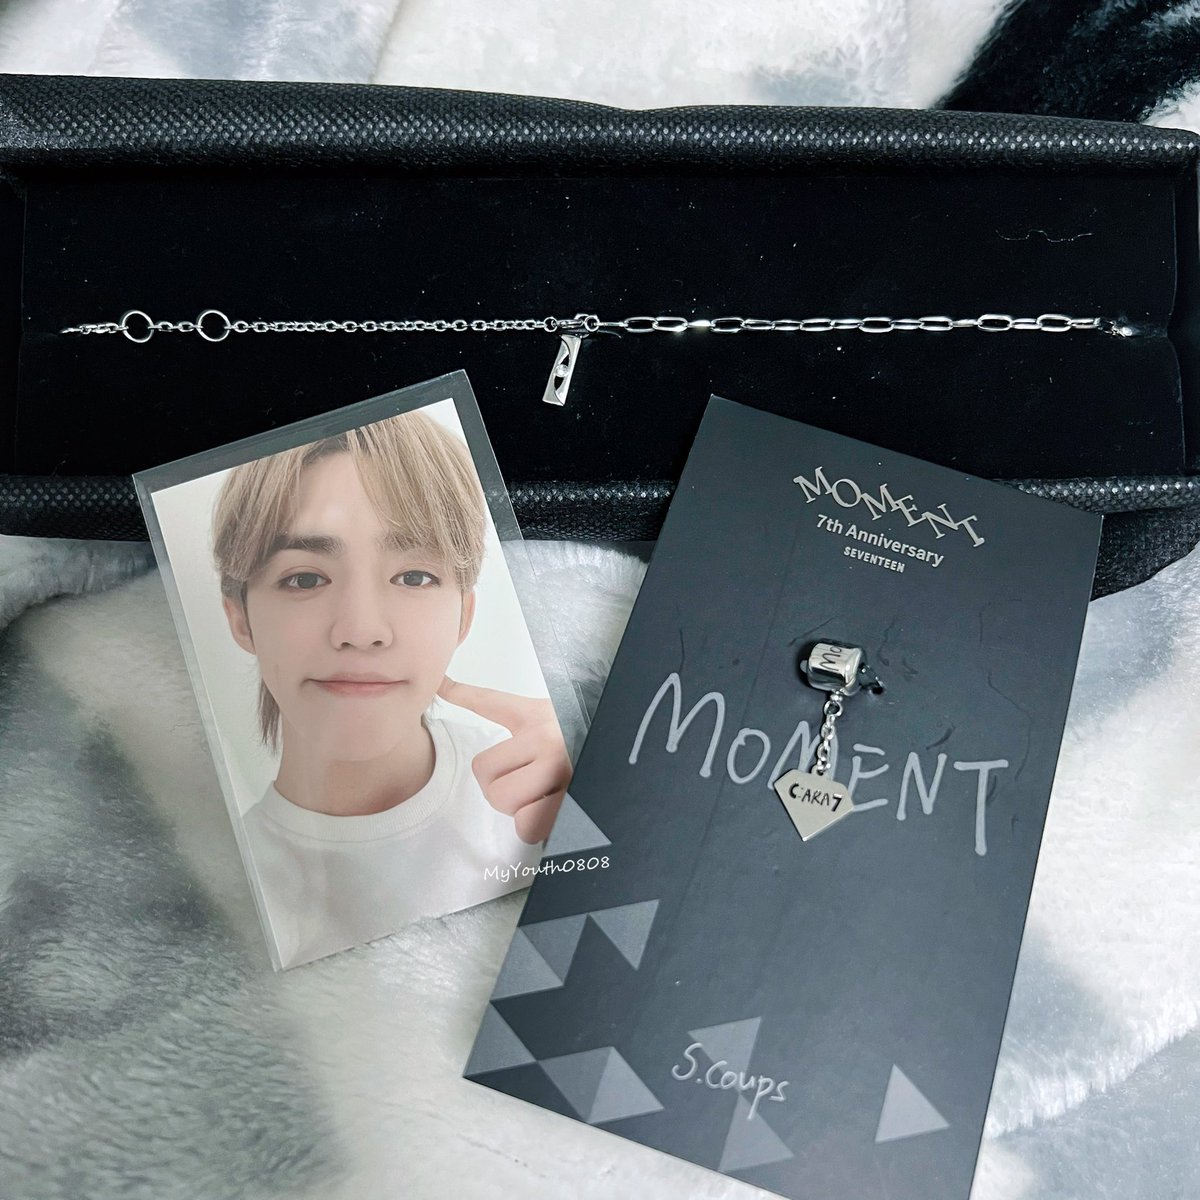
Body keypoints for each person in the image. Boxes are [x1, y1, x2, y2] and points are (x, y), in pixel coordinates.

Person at [211, 408, 570, 968]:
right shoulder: (215, 882)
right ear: (241, 620)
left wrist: (612, 793)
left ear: (463, 616)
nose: (361, 630)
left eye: (414, 576)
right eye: (304, 578)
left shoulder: (554, 787)